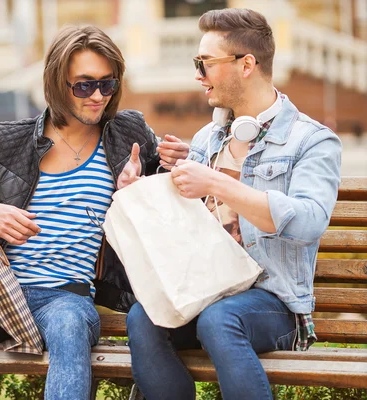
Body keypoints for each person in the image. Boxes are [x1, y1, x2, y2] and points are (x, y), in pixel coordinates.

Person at [0, 25, 189, 400]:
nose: (98, 97)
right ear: (58, 84)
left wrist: (161, 175)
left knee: (69, 332)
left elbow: (167, 215)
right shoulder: (1, 139)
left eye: (107, 85)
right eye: (84, 85)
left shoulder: (129, 132)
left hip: (67, 295)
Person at [126, 8, 342, 400]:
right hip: (208, 290)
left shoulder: (312, 141)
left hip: (275, 303)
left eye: (205, 63)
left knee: (219, 320)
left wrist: (218, 182)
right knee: (144, 316)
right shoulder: (210, 138)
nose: (197, 74)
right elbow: (184, 220)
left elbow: (309, 222)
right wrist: (140, 187)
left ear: (246, 65)